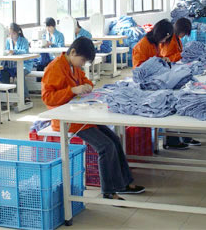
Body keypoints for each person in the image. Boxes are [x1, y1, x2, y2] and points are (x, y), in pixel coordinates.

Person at [42, 37, 145, 201]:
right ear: (73, 52)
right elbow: (47, 98)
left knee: (114, 139)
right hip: (67, 120)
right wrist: (72, 90)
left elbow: (84, 80)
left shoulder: (73, 66)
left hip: (81, 115)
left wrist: (88, 85)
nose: (82, 64)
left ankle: (124, 183)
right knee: (105, 146)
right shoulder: (54, 68)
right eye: (83, 60)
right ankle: (109, 192)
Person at [159, 18, 202, 149]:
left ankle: (183, 137)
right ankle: (172, 140)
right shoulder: (170, 40)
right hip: (168, 75)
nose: (184, 35)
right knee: (173, 106)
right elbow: (166, 58)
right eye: (184, 32)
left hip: (175, 72)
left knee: (181, 103)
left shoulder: (176, 38)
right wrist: (181, 55)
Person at [1, 23, 33, 102]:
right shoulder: (8, 41)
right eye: (10, 33)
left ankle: (26, 96)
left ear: (17, 32)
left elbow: (25, 51)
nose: (11, 35)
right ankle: (5, 96)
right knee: (4, 72)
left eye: (13, 33)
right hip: (12, 65)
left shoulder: (24, 40)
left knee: (20, 73)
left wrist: (14, 51)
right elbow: (7, 51)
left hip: (25, 64)